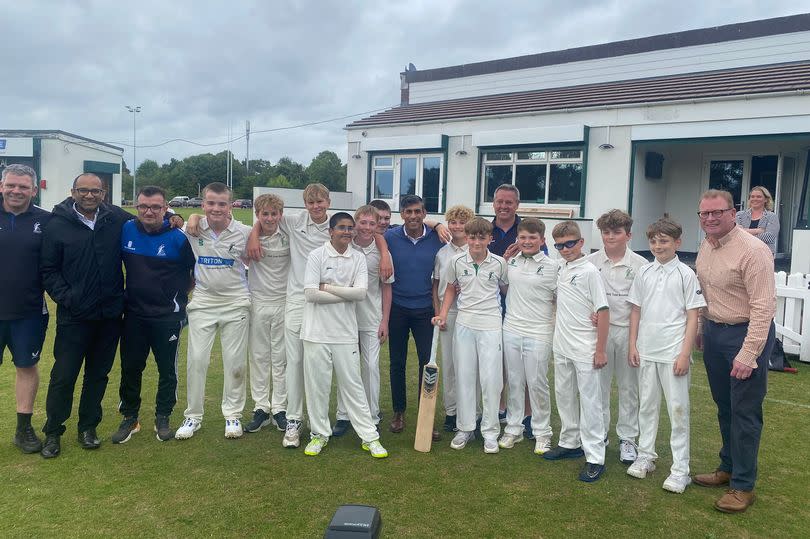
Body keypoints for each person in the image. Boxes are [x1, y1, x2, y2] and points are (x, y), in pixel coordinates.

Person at [39, 173, 138, 457]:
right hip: (74, 316)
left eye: (96, 191)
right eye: (84, 190)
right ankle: (54, 432)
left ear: (104, 193)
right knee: (64, 375)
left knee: (98, 375)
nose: (90, 196)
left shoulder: (115, 219)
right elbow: (48, 270)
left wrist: (178, 218)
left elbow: (149, 217)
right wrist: (68, 298)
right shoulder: (56, 224)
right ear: (73, 192)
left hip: (109, 316)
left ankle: (88, 427)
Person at [693, 189, 776, 514]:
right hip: (714, 333)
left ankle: (743, 485)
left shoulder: (753, 251)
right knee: (724, 406)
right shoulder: (707, 245)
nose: (710, 219)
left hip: (745, 335)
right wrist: (702, 329)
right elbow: (705, 292)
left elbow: (763, 307)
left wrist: (749, 353)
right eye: (705, 214)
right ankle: (727, 468)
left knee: (744, 412)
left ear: (733, 212)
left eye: (717, 213)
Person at [626, 218, 705, 494]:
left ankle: (680, 470)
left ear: (677, 243)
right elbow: (635, 310)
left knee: (677, 411)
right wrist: (633, 345)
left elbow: (693, 316)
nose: (658, 246)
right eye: (654, 241)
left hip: (673, 354)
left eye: (664, 241)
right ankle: (645, 455)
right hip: (647, 351)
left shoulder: (686, 274)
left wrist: (685, 353)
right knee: (646, 407)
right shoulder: (644, 272)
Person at [300, 212, 388, 458]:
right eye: (342, 227)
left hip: (345, 333)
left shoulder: (358, 258)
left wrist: (326, 286)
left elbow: (361, 294)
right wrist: (345, 291)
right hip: (316, 332)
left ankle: (370, 437)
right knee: (318, 386)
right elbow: (310, 294)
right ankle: (319, 435)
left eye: (350, 228)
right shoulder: (317, 255)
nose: (347, 232)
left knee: (353, 386)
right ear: (331, 231)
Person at [113, 186, 196, 443]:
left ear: (165, 208)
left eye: (156, 207)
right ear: (137, 207)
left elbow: (192, 277)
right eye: (143, 207)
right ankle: (130, 417)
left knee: (166, 370)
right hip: (134, 314)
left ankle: (163, 416)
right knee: (131, 368)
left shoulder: (178, 238)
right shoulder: (126, 229)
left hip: (167, 316)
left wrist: (174, 299)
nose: (149, 212)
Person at [175, 182, 253, 440]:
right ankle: (193, 416)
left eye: (222, 203)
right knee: (197, 360)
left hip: (236, 303)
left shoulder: (244, 232)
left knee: (235, 363)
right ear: (203, 204)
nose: (216, 208)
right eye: (210, 203)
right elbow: (166, 217)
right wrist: (187, 217)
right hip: (204, 303)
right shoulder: (193, 228)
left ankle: (232, 415)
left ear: (230, 205)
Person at [433, 217, 508, 454]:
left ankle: (490, 432)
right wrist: (443, 314)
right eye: (472, 237)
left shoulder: (499, 263)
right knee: (464, 376)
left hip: (491, 324)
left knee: (491, 379)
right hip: (464, 323)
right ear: (467, 238)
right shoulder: (455, 261)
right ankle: (465, 428)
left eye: (481, 237)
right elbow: (450, 289)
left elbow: (507, 291)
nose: (476, 241)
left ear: (489, 239)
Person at [543, 220, 609, 482]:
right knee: (564, 395)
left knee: (590, 402)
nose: (565, 249)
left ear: (581, 242)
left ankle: (595, 456)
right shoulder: (560, 266)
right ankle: (570, 442)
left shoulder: (590, 271)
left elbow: (603, 311)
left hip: (585, 347)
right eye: (559, 245)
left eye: (570, 244)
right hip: (562, 345)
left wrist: (600, 349)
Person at [586, 209, 648, 464]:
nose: (611, 237)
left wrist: (634, 340)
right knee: (597, 387)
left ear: (628, 235)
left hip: (627, 333)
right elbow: (583, 295)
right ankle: (599, 435)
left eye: (617, 232)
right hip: (599, 333)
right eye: (606, 232)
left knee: (628, 388)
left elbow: (642, 305)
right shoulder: (591, 262)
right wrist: (589, 312)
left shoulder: (641, 266)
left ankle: (628, 439)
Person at [0, 164, 51, 454]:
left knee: (26, 367)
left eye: (23, 187)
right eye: (11, 185)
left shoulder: (46, 221)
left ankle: (23, 428)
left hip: (29, 312)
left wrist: (172, 217)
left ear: (34, 190)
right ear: (1, 186)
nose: (16, 191)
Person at [385, 195, 444, 437]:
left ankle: (425, 415)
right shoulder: (390, 237)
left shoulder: (436, 239)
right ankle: (399, 412)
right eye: (408, 211)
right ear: (401, 214)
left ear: (424, 213)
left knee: (425, 364)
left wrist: (439, 226)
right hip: (397, 307)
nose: (412, 216)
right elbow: (374, 236)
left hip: (424, 310)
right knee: (396, 362)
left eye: (417, 211)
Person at [499, 218, 559, 455]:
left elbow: (559, 298)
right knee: (514, 380)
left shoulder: (553, 266)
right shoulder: (511, 262)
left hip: (539, 330)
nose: (527, 241)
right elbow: (505, 288)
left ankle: (542, 432)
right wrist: (503, 260)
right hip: (512, 327)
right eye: (523, 237)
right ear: (518, 239)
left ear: (542, 240)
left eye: (533, 238)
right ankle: (513, 428)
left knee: (536, 382)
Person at [332, 205, 394, 435]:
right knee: (346, 367)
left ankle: (371, 415)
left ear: (377, 226)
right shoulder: (345, 246)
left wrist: (384, 321)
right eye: (363, 223)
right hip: (345, 318)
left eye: (372, 223)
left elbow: (387, 289)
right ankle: (343, 415)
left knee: (370, 368)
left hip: (371, 318)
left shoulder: (383, 254)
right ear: (356, 222)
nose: (367, 228)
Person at [244, 194, 291, 434]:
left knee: (281, 359)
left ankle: (280, 408)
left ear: (280, 215)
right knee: (259, 357)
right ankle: (261, 408)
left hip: (284, 302)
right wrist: (254, 233)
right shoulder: (248, 237)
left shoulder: (289, 234)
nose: (270, 218)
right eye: (265, 214)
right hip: (258, 303)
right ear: (258, 215)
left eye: (274, 214)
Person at [432, 205, 474, 433]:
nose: (457, 227)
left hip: (470, 313)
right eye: (453, 222)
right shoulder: (442, 253)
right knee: (448, 364)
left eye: (461, 222)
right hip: (448, 314)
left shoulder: (476, 250)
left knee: (468, 365)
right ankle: (451, 412)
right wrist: (440, 313)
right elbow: (436, 286)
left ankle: (471, 413)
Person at [735, 186, 779, 254]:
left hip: (764, 254)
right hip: (742, 253)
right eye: (752, 196)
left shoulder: (772, 216)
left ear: (766, 199)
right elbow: (735, 234)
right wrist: (757, 231)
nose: (755, 199)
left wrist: (744, 232)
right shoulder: (739, 215)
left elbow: (769, 237)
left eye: (759, 197)